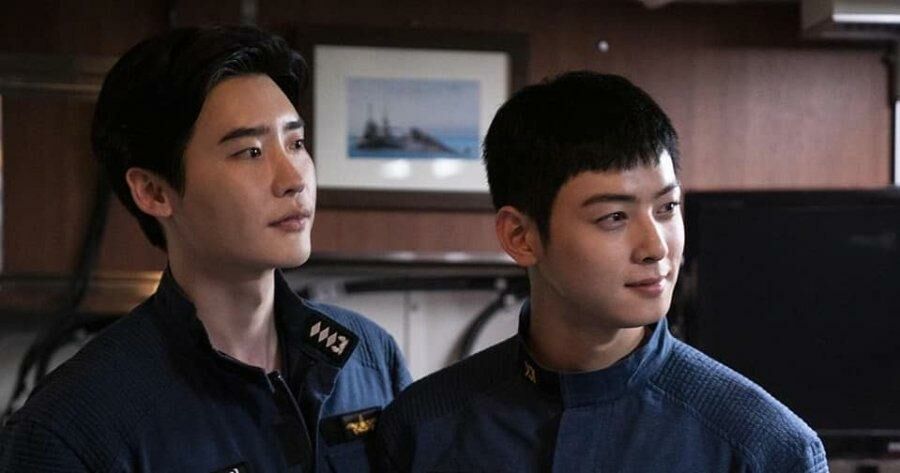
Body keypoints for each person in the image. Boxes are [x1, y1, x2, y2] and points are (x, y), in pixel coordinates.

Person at [0, 26, 410, 472]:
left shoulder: (368, 356)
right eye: (250, 152)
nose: (294, 178)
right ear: (154, 192)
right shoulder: (73, 424)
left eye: (295, 143)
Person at [375, 71, 827, 472]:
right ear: (521, 236)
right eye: (614, 217)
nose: (655, 247)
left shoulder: (765, 449)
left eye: (668, 208)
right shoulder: (420, 430)